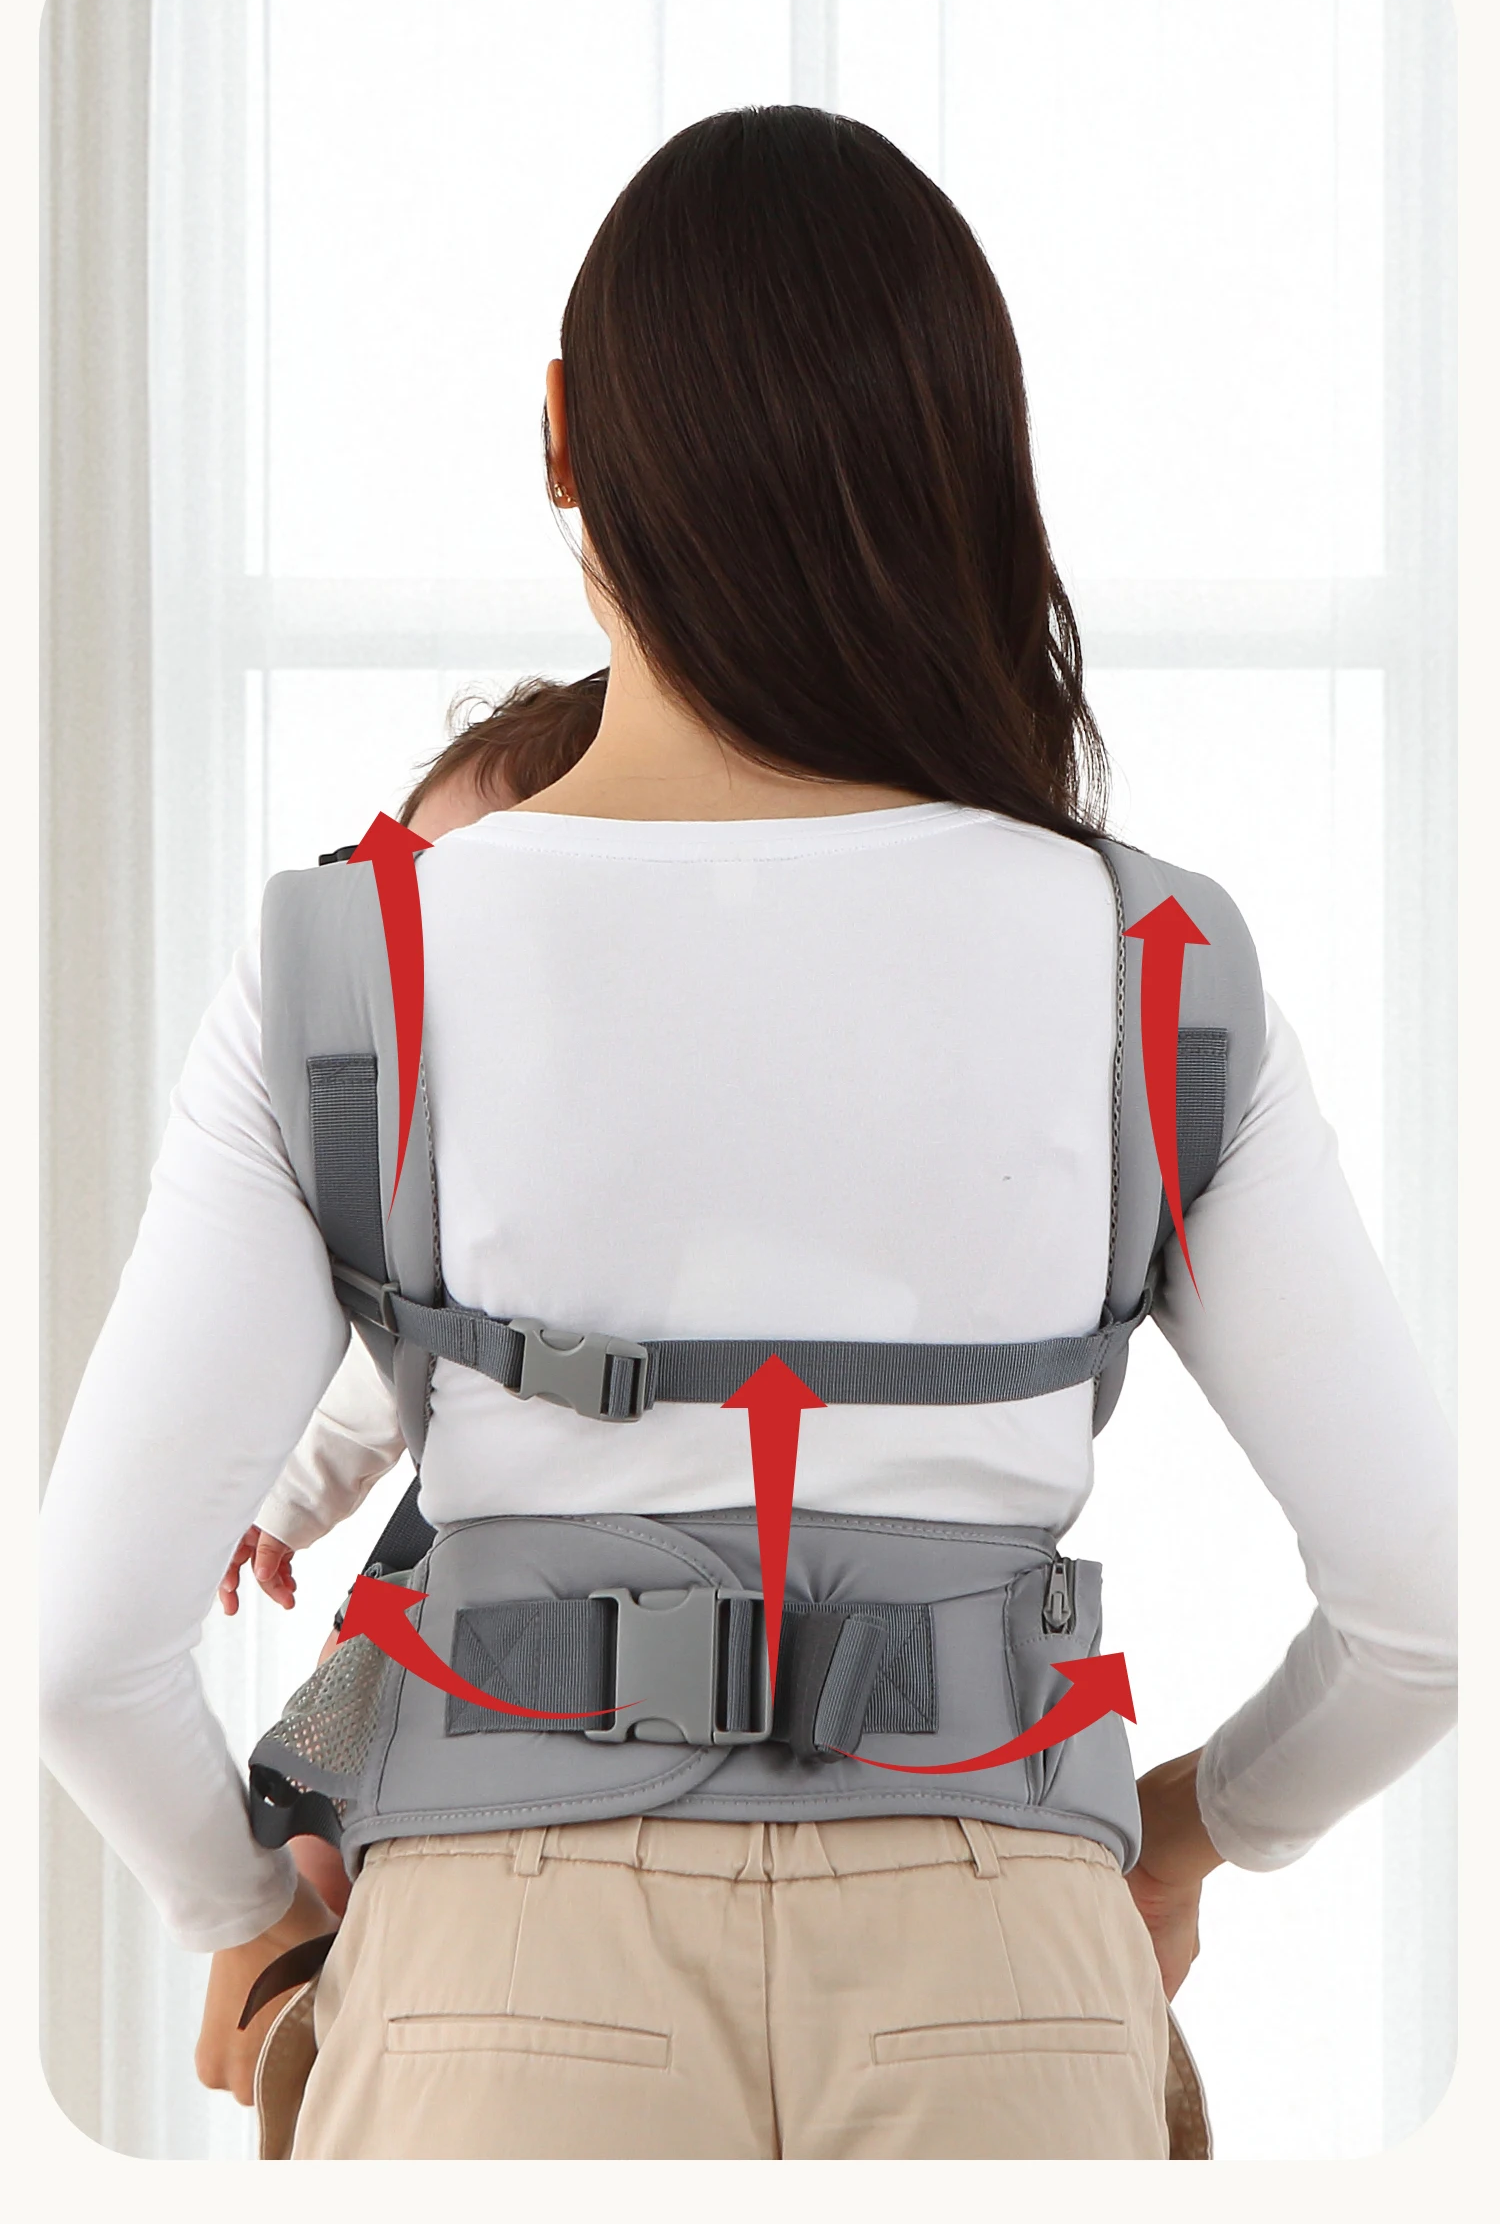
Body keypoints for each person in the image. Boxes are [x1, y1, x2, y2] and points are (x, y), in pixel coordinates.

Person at [40, 106, 1457, 2161]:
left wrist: (246, 1920)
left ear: (559, 436)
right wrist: (1187, 1832)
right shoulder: (1155, 968)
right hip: (1012, 1960)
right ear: (970, 465)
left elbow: (88, 1653)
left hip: (496, 1977)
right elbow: (1426, 1610)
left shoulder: (353, 966)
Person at [215, 673, 608, 1919]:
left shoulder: (563, 1135)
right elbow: (391, 1373)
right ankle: (316, 1931)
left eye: (445, 899)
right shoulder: (430, 1146)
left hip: (537, 1549)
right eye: (390, 880)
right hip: (460, 1527)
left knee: (370, 1759)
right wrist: (286, 1500)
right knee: (323, 1778)